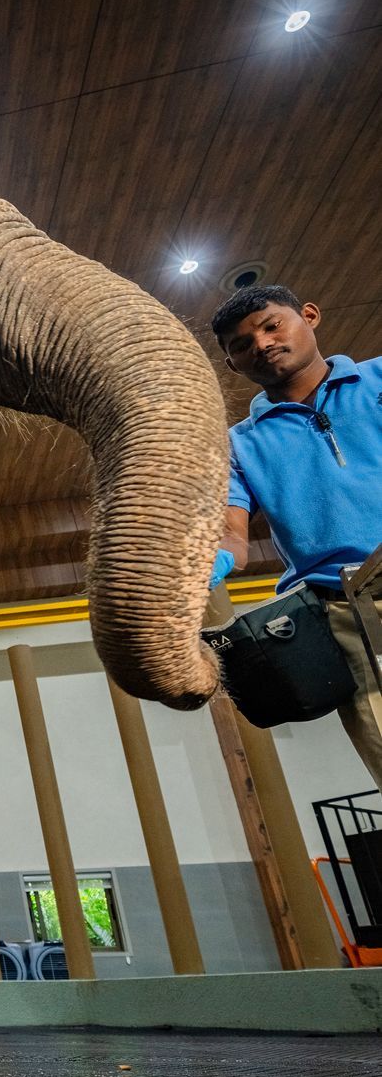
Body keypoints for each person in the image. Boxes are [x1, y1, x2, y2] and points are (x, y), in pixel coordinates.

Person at [210, 285, 382, 785]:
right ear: (233, 365)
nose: (261, 344)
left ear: (309, 316)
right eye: (242, 345)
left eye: (271, 325)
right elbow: (230, 537)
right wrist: (203, 568)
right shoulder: (237, 446)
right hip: (346, 611)